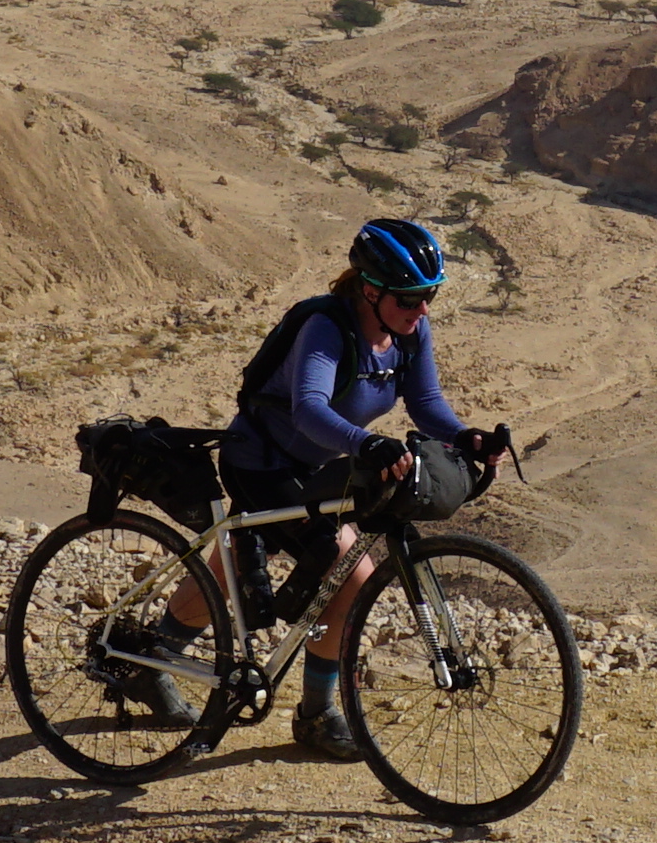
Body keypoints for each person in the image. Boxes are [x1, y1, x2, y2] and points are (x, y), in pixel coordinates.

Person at [133, 217, 506, 760]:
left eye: (429, 296)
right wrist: (367, 443)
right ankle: (316, 714)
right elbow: (310, 409)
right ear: (371, 290)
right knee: (350, 570)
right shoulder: (328, 329)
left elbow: (426, 405)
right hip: (261, 463)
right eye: (410, 298)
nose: (422, 309)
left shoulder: (406, 331)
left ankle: (154, 654)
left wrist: (465, 436)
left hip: (322, 463)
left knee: (234, 568)